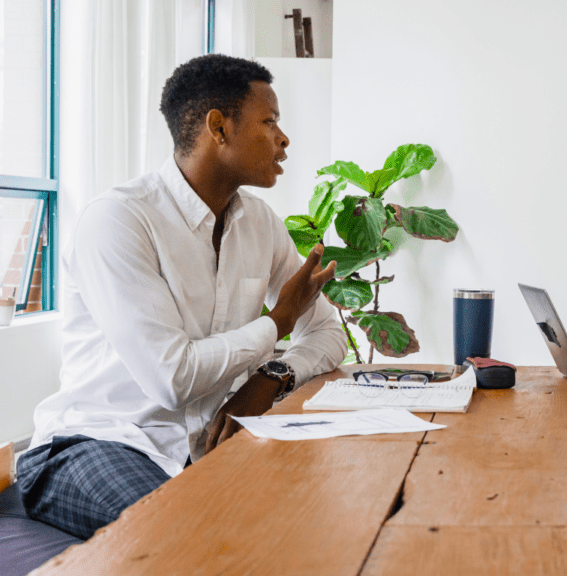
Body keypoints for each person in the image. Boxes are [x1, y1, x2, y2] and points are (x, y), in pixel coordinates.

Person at [17, 54, 346, 539]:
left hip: (200, 442)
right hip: (96, 442)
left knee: (317, 511)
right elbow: (172, 378)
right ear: (218, 127)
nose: (283, 138)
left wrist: (272, 376)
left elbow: (327, 331)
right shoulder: (119, 220)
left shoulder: (259, 224)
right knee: (191, 532)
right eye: (269, 121)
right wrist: (277, 322)